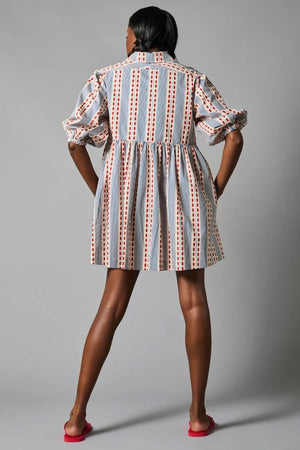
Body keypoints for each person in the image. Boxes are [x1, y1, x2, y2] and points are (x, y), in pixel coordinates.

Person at [62, 5, 247, 442]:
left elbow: (75, 140)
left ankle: (75, 418)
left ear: (136, 35)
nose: (124, 40)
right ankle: (199, 416)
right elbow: (233, 135)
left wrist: (101, 191)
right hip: (188, 200)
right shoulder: (192, 78)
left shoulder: (105, 77)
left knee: (111, 303)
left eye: (126, 33)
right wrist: (215, 187)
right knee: (194, 300)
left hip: (123, 200)